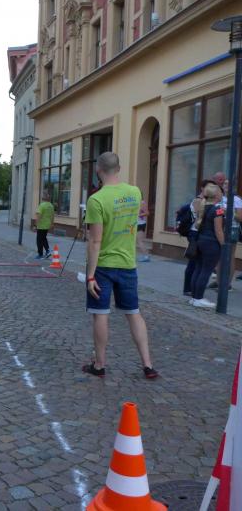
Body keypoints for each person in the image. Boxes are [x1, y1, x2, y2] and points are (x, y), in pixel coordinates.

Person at [83, 152, 158, 380]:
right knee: (134, 313)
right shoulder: (134, 192)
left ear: (98, 170)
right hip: (127, 263)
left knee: (101, 315)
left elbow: (95, 241)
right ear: (119, 168)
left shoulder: (96, 200)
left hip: (104, 266)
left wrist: (90, 275)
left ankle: (99, 365)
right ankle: (148, 365)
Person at [189, 183, 225, 308]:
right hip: (211, 244)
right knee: (206, 271)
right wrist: (224, 245)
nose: (222, 194)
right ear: (216, 195)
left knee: (198, 269)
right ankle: (199, 298)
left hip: (200, 241)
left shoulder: (202, 206)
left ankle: (194, 297)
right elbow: (218, 231)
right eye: (220, 192)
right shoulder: (218, 209)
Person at [183, 179, 216, 296]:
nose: (212, 189)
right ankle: (188, 289)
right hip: (195, 233)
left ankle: (192, 289)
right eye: (210, 187)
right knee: (193, 262)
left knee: (197, 263)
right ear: (203, 188)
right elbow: (199, 218)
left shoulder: (205, 201)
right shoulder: (198, 200)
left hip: (199, 233)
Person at [31, 191, 54, 259]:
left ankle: (40, 254)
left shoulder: (42, 205)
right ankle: (48, 251)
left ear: (43, 197)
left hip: (41, 225)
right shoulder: (51, 206)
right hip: (47, 225)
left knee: (39, 240)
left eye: (43, 195)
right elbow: (52, 216)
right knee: (44, 238)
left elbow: (38, 216)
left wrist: (35, 225)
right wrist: (52, 223)